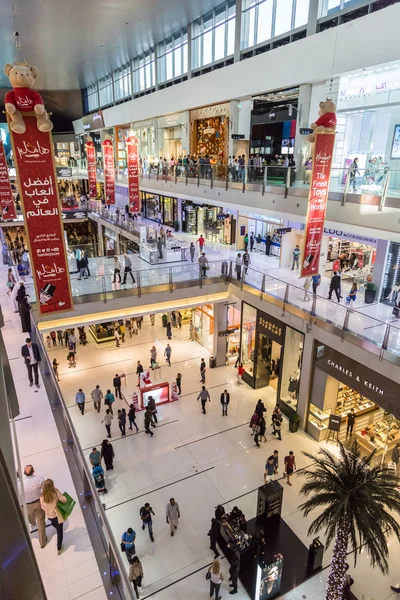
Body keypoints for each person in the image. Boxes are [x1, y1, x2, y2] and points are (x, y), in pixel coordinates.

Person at [19, 465, 47, 548]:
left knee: (30, 518)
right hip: (38, 504)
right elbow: (45, 490)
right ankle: (42, 542)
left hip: (26, 506)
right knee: (41, 522)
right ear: (33, 471)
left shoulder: (20, 483)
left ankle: (33, 523)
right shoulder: (39, 479)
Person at [40, 479, 67, 555]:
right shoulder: (55, 492)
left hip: (49, 516)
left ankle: (57, 528)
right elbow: (63, 500)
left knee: (54, 524)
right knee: (60, 531)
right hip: (56, 515)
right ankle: (59, 548)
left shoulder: (42, 496)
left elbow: (42, 506)